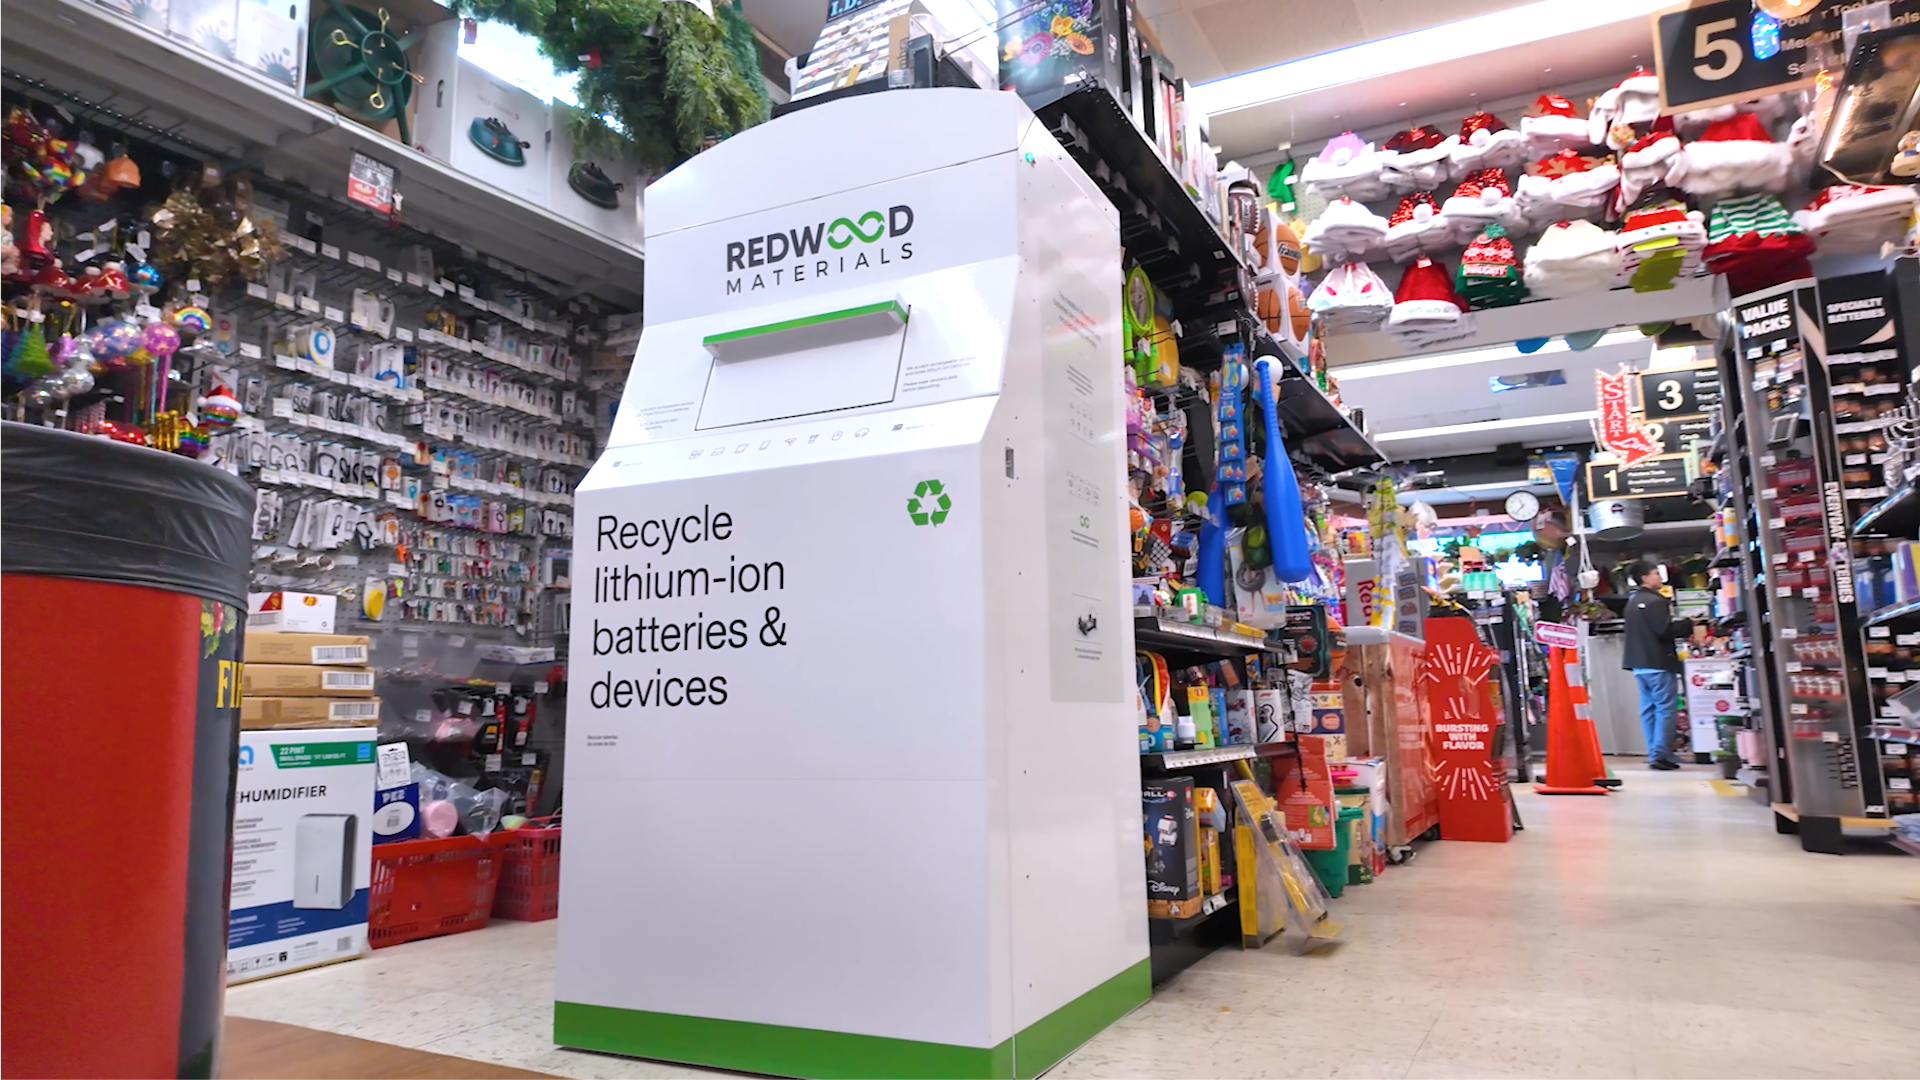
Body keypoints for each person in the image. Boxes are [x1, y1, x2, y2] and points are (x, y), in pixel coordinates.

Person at [1621, 559, 1694, 770]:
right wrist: (1688, 624)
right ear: (1644, 577)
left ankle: (1656, 751)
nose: (1660, 578)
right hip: (1658, 662)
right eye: (1655, 573)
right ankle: (1660, 754)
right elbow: (1664, 630)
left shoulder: (1632, 602)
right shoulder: (1657, 601)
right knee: (1665, 709)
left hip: (1639, 664)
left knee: (1648, 709)